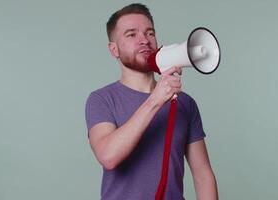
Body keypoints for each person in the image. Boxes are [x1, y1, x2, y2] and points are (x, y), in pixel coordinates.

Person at [85, 3, 218, 200]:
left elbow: (203, 176)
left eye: (150, 33)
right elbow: (108, 156)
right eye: (131, 34)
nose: (144, 41)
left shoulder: (185, 104)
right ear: (114, 49)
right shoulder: (102, 99)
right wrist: (155, 100)